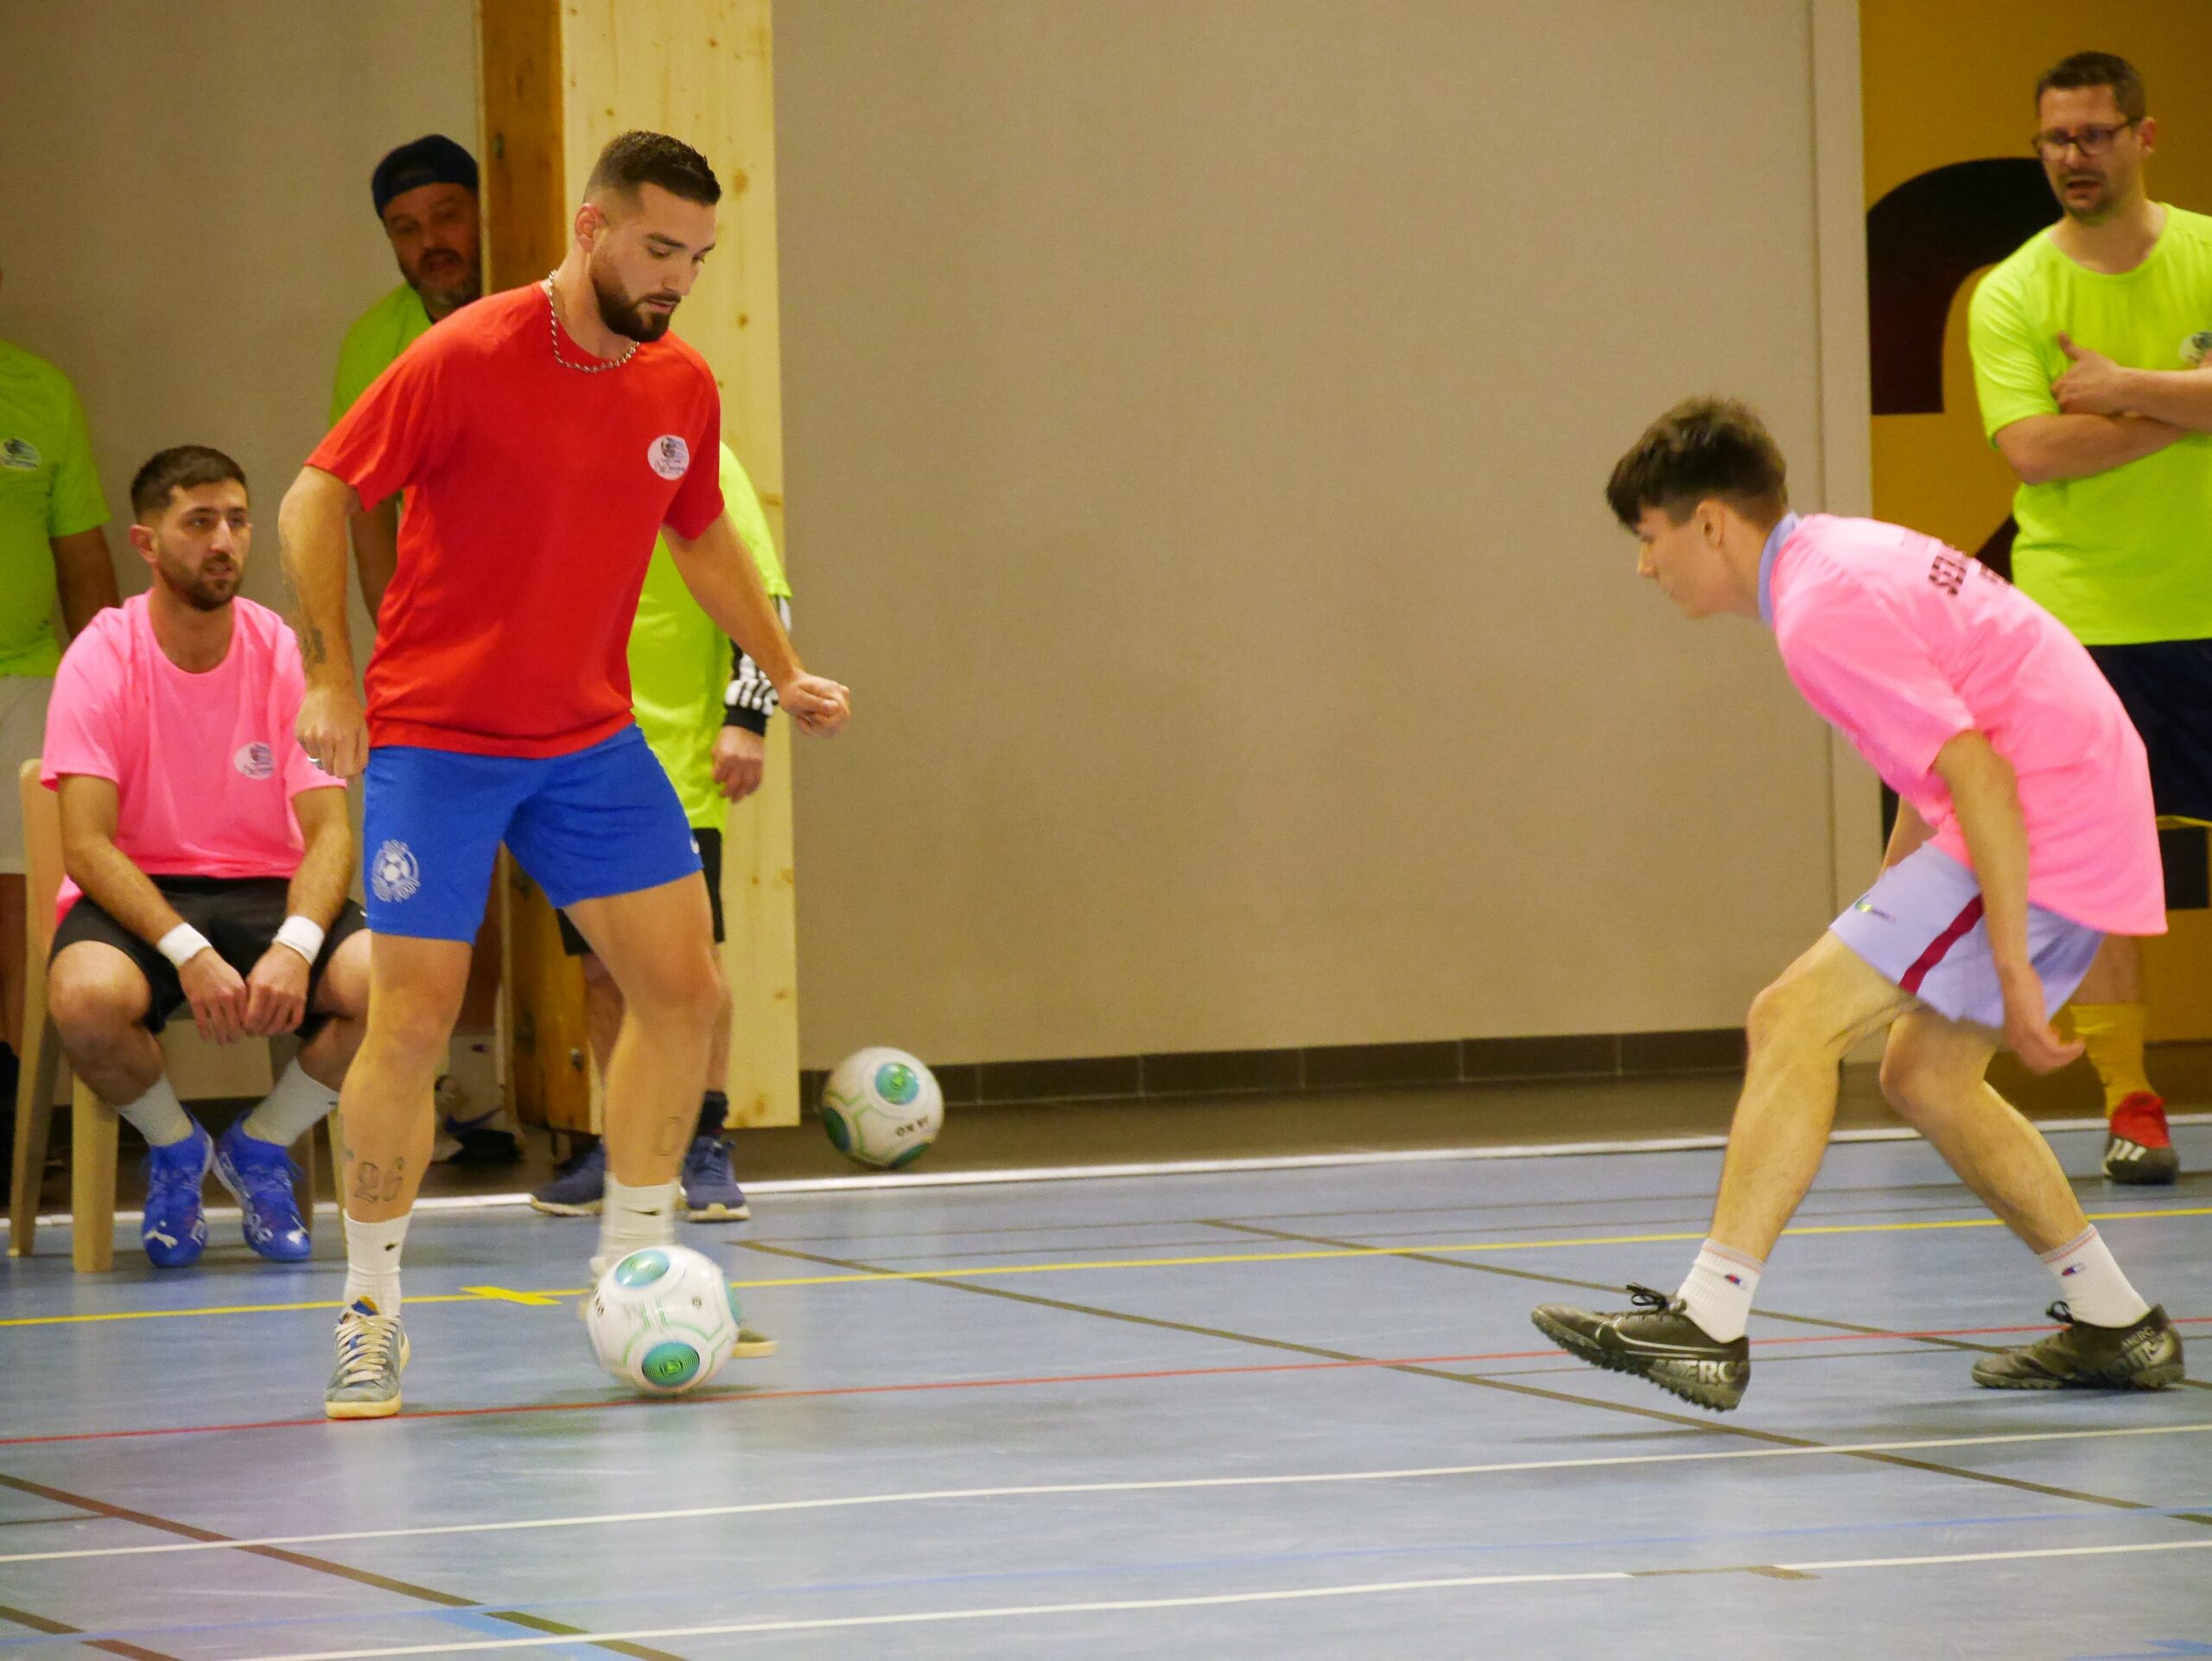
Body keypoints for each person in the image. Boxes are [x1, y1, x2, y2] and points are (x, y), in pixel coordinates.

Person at [282, 130, 849, 1420]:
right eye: (658, 249)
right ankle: (371, 1310)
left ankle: (634, 1266)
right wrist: (329, 673)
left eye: (697, 259)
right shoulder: (465, 353)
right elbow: (316, 498)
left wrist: (787, 666)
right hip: (438, 735)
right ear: (592, 228)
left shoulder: (677, 384)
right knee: (413, 1017)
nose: (675, 280)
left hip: (586, 741)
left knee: (686, 989)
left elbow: (702, 540)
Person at [1530, 398, 2181, 1413]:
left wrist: (2010, 962)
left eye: (1648, 537)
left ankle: (1710, 1318)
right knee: (1924, 1075)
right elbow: (1939, 775)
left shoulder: (1820, 607)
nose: (1643, 566)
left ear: (1708, 522)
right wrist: (1895, 901)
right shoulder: (1828, 561)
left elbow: (1976, 773)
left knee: (1789, 1015)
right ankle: (2115, 1321)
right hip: (2065, 789)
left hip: (2046, 809)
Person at [1967, 51, 2212, 1186]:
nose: (2075, 157)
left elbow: (2085, 421)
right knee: (2116, 869)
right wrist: (2190, 410)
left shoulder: (2209, 255)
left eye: (2096, 135)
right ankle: (2133, 1100)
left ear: (2143, 137)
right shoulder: (2016, 290)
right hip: (2085, 627)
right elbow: (2035, 450)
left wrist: (2126, 387)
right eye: (2056, 139)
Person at [44, 447, 368, 1268]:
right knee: (84, 999)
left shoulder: (283, 650)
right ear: (147, 543)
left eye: (237, 520)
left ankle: (262, 1145)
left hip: (267, 889)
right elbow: (84, 842)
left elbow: (331, 832)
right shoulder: (102, 654)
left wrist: (296, 946)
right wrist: (188, 953)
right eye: (199, 522)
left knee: (395, 982)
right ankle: (177, 1148)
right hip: (142, 893)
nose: (224, 540)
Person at [531, 440, 792, 1229]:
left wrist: (747, 717)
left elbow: (761, 593)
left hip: (674, 758)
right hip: (572, 756)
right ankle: (629, 1141)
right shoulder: (553, 461)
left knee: (690, 964)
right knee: (602, 972)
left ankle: (704, 1144)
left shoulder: (696, 456)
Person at [328, 135, 512, 1166]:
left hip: (561, 643)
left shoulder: (545, 315)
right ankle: (462, 1081)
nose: (432, 242)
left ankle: (545, 1090)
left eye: (446, 215)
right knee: (453, 870)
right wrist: (390, 633)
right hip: (444, 658)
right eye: (407, 228)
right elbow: (356, 501)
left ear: (483, 212)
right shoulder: (376, 343)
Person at [0, 267, 121, 1136]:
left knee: (21, 910)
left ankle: (12, 1117)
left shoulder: (40, 393)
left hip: (27, 679)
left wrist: (106, 702)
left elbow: (84, 565)